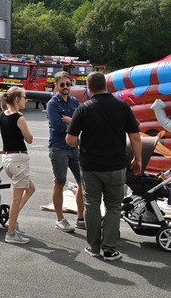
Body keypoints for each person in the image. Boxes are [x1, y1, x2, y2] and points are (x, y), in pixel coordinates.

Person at [66, 71, 141, 261]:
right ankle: (109, 249)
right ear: (106, 85)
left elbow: (70, 139)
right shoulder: (122, 107)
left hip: (90, 165)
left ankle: (93, 247)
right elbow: (135, 137)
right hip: (116, 165)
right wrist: (138, 159)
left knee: (91, 205)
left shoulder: (83, 109)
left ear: (89, 89)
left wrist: (80, 145)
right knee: (114, 206)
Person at [46, 71, 85, 233]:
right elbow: (59, 127)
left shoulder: (74, 101)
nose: (65, 87)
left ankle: (80, 218)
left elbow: (83, 122)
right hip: (59, 148)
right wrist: (74, 123)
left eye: (68, 84)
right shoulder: (52, 104)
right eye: (62, 84)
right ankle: (60, 219)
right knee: (60, 182)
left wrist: (72, 122)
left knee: (83, 181)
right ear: (56, 85)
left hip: (75, 147)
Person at [0, 87, 36, 244]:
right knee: (16, 198)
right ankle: (11, 232)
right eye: (24, 97)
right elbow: (29, 139)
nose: (25, 100)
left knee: (30, 189)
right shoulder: (19, 118)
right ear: (16, 99)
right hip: (18, 160)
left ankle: (11, 220)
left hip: (7, 159)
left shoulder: (2, 116)